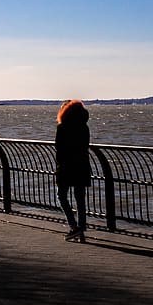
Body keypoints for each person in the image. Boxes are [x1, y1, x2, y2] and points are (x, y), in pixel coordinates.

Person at [55, 99, 91, 242]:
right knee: (80, 199)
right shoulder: (84, 127)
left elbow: (59, 148)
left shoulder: (62, 127)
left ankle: (73, 226)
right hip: (82, 166)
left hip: (66, 167)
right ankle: (81, 230)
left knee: (62, 196)